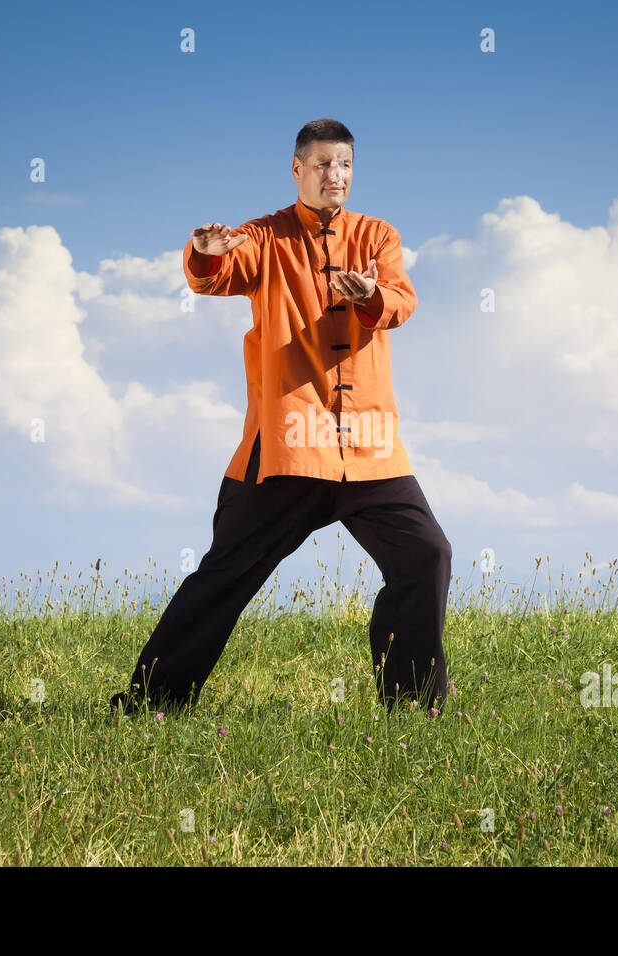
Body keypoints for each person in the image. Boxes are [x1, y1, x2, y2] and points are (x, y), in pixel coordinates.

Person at [111, 118, 452, 717]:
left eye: (344, 165)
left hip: (369, 448)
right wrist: (205, 255)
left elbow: (401, 301)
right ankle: (149, 704)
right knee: (225, 575)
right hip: (292, 447)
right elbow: (215, 277)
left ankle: (412, 709)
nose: (334, 176)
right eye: (322, 165)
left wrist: (368, 296)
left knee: (427, 556)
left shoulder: (378, 236)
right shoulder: (265, 236)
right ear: (298, 170)